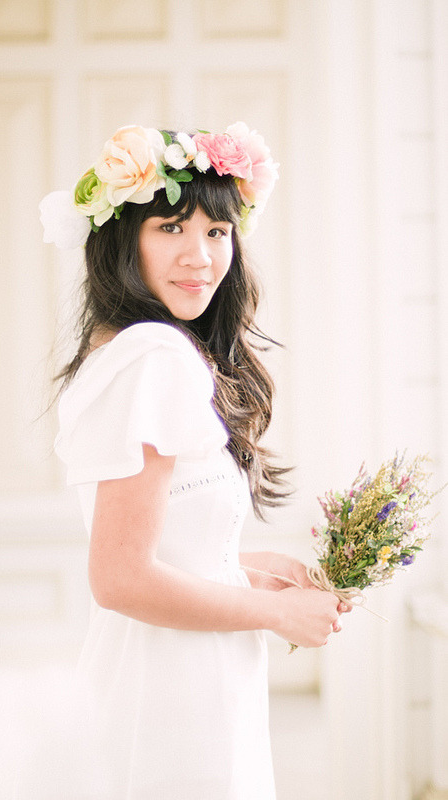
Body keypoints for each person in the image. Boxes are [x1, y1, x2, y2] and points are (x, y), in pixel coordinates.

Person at [39, 123, 349, 800]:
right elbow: (120, 577)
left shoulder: (119, 351)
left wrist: (242, 570)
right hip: (175, 698)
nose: (199, 256)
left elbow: (153, 544)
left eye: (216, 232)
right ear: (124, 239)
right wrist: (275, 615)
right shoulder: (157, 359)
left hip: (166, 677)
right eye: (171, 227)